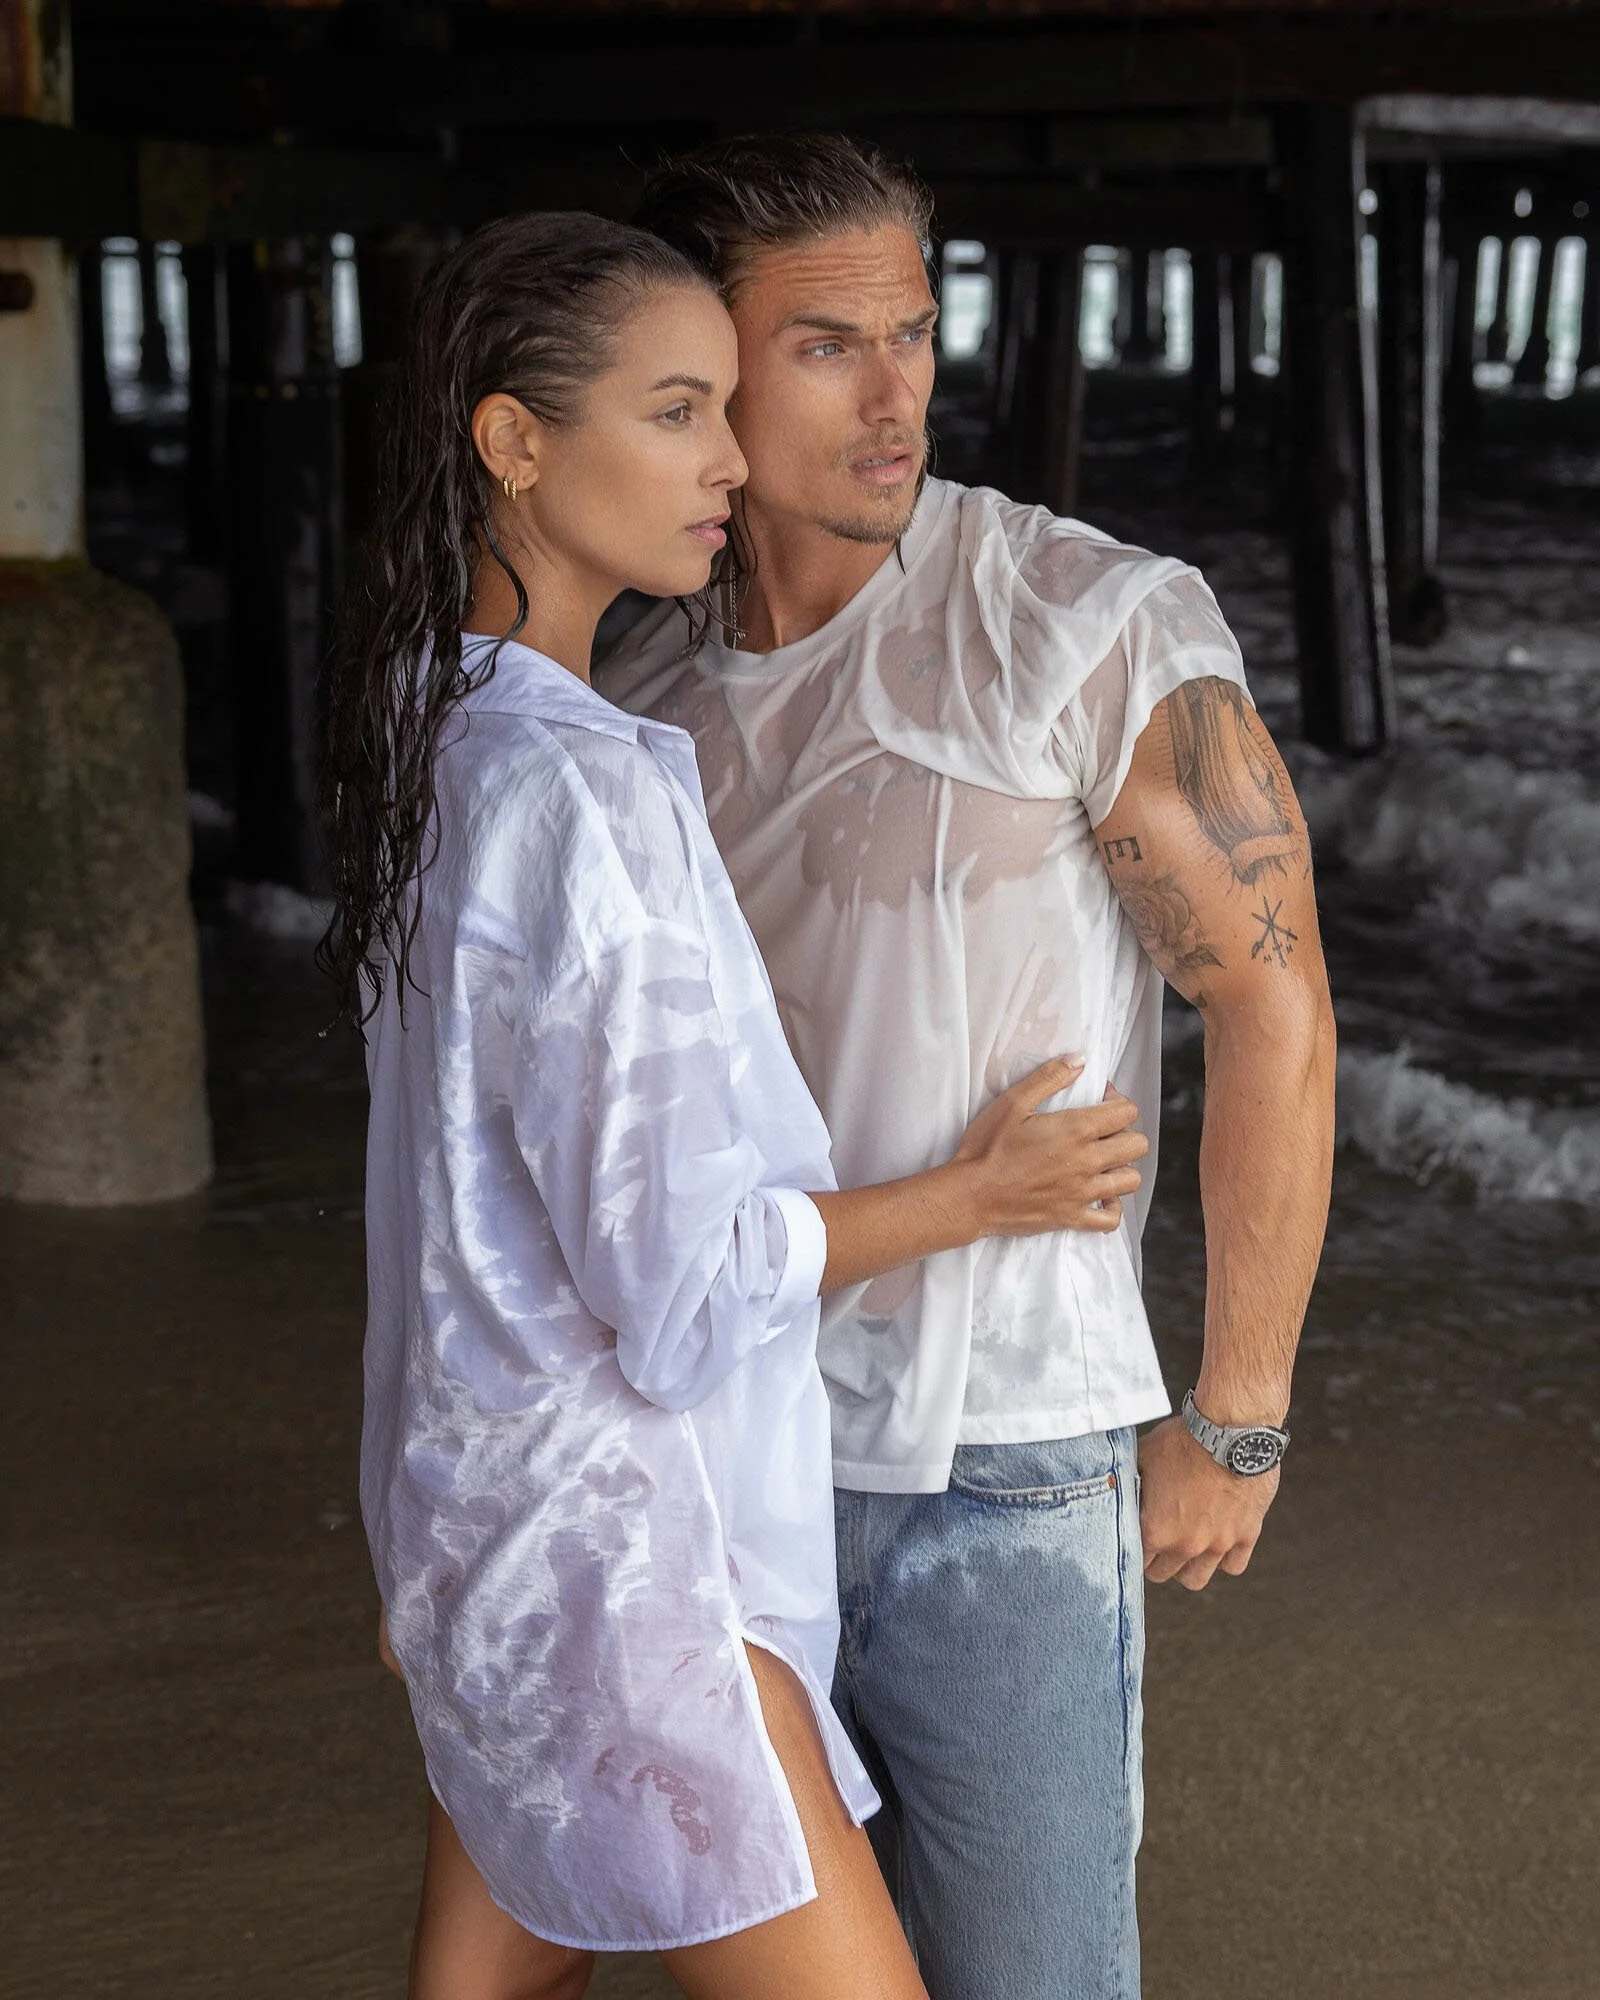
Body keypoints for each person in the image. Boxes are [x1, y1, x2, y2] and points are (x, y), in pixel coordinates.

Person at [320, 211, 1151, 2000]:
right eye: (680, 411)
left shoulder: (431, 737)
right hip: (632, 1583)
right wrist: (980, 1194)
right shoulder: (589, 790)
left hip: (481, 1541)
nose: (728, 461)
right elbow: (685, 1287)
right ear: (515, 440)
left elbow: (439, 1222)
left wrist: (430, 1556)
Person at [603, 134, 1338, 2000]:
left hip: (1002, 1458)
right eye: (827, 345)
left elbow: (1271, 1003)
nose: (896, 390)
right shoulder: (642, 692)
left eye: (915, 333)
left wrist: (1235, 1412)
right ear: (703, 372)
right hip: (725, 1460)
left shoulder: (1081, 620)